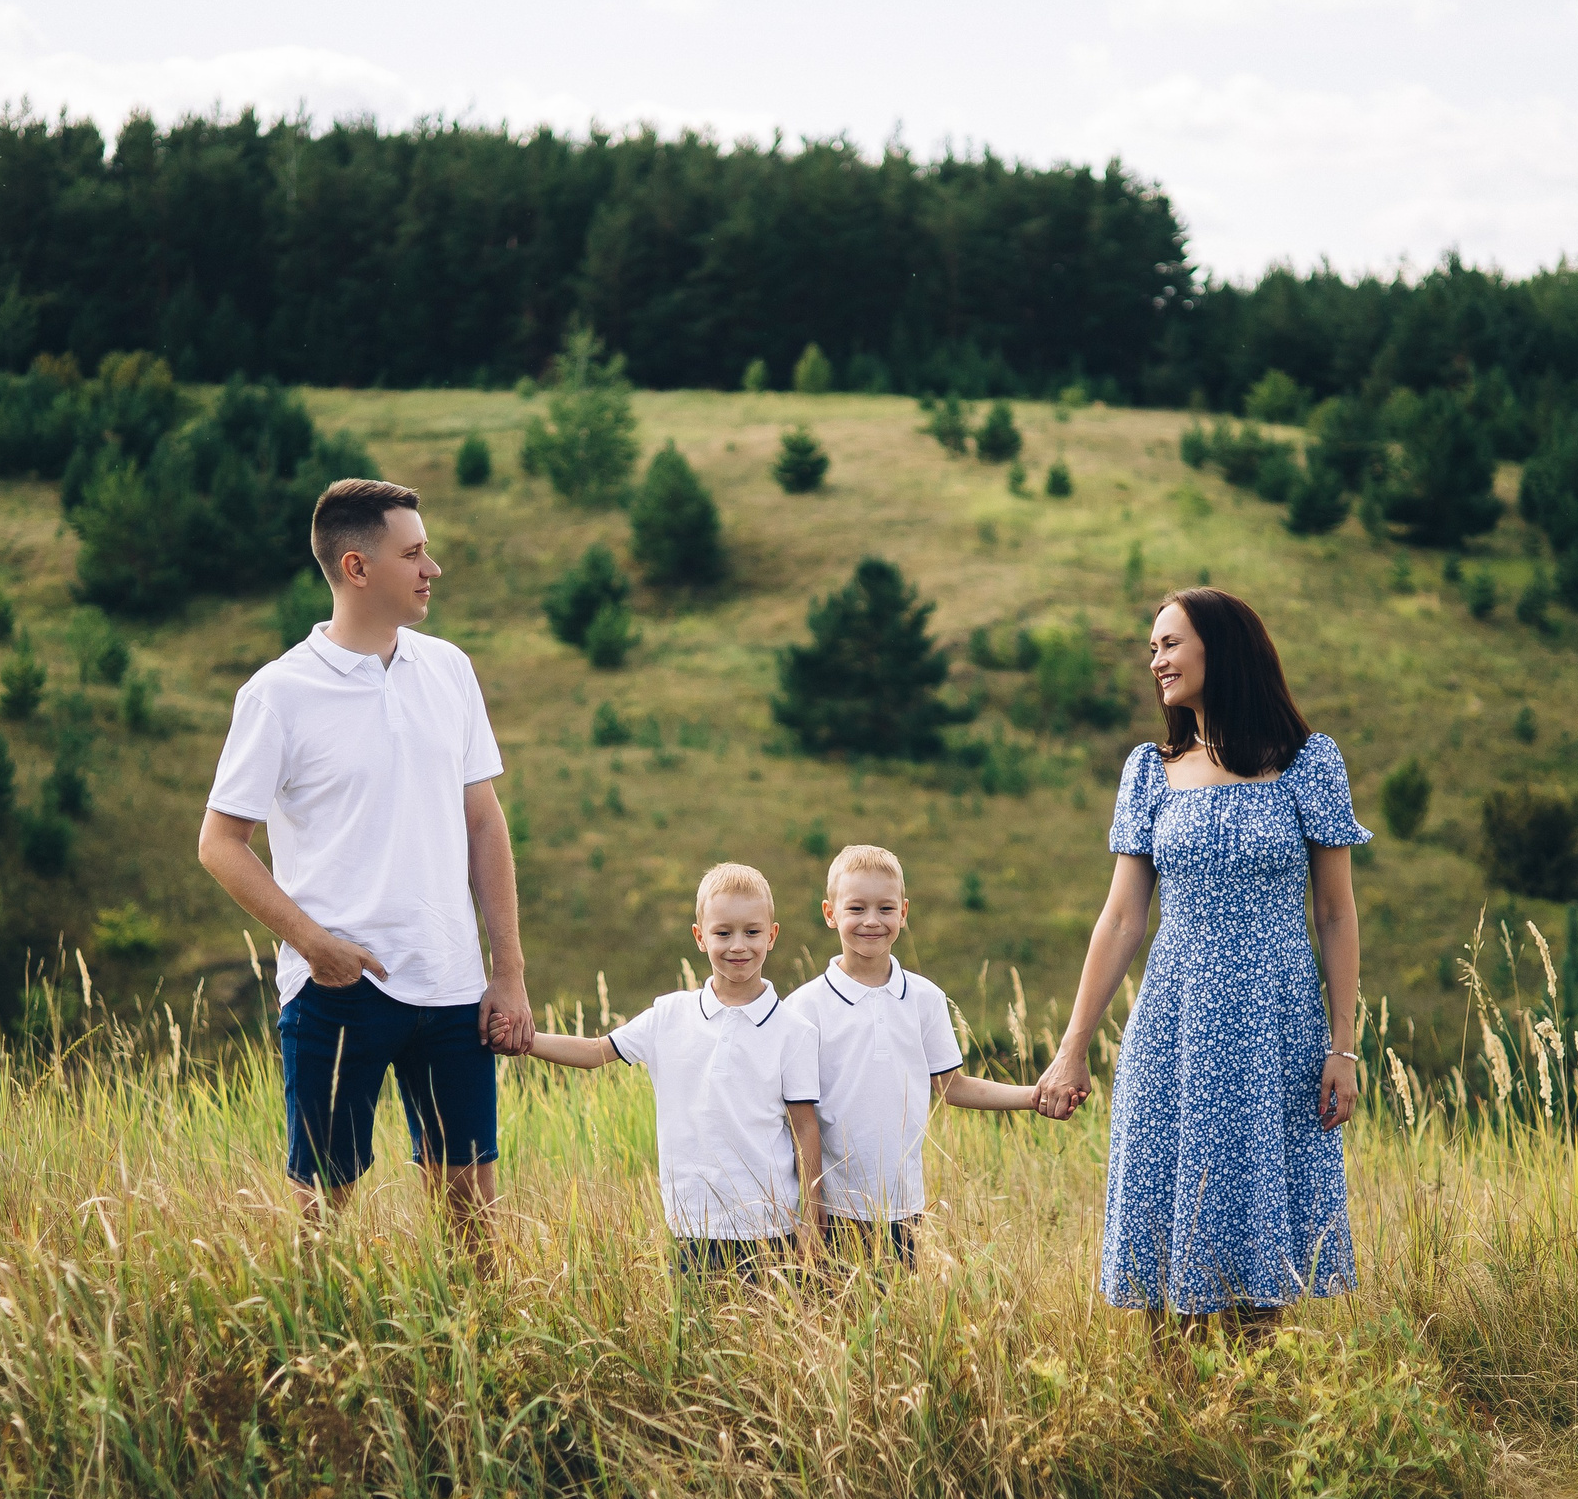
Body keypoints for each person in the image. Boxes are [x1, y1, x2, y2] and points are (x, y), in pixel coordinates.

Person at [197, 478, 533, 1249]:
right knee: (325, 1210)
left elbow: (484, 821)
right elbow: (220, 842)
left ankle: (470, 1359)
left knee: (471, 1209)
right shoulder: (278, 694)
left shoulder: (449, 669)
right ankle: (319, 1358)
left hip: (450, 986)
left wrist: (505, 970)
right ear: (356, 568)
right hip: (338, 990)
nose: (432, 568)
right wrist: (315, 945)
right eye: (413, 553)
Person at [1033, 586, 1368, 1337]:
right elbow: (1122, 919)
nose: (1156, 661)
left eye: (1170, 644)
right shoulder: (1149, 770)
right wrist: (1072, 1050)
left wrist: (1341, 1045)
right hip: (1173, 1028)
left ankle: (1252, 1422)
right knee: (1164, 1243)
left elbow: (1337, 913)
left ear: (1223, 648)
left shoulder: (1309, 763)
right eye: (1152, 647)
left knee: (1261, 1241)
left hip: (1273, 1030)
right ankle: (1175, 1420)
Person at [523, 863, 822, 1278]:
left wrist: (812, 1219)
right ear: (700, 937)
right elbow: (595, 1051)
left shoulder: (794, 1031)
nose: (738, 945)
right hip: (691, 1225)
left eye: (752, 932)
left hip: (769, 1228)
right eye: (723, 933)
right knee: (696, 1336)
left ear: (771, 935)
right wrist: (524, 1040)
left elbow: (805, 1128)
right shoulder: (669, 1014)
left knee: (765, 1338)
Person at [783, 844, 1040, 1269]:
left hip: (903, 1207)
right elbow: (797, 1116)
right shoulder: (804, 1007)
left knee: (896, 1322)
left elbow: (951, 1086)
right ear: (830, 913)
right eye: (856, 908)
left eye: (885, 908)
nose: (871, 921)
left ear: (903, 912)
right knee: (832, 1324)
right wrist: (810, 1210)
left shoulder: (925, 998)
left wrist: (1032, 1096)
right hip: (832, 1209)